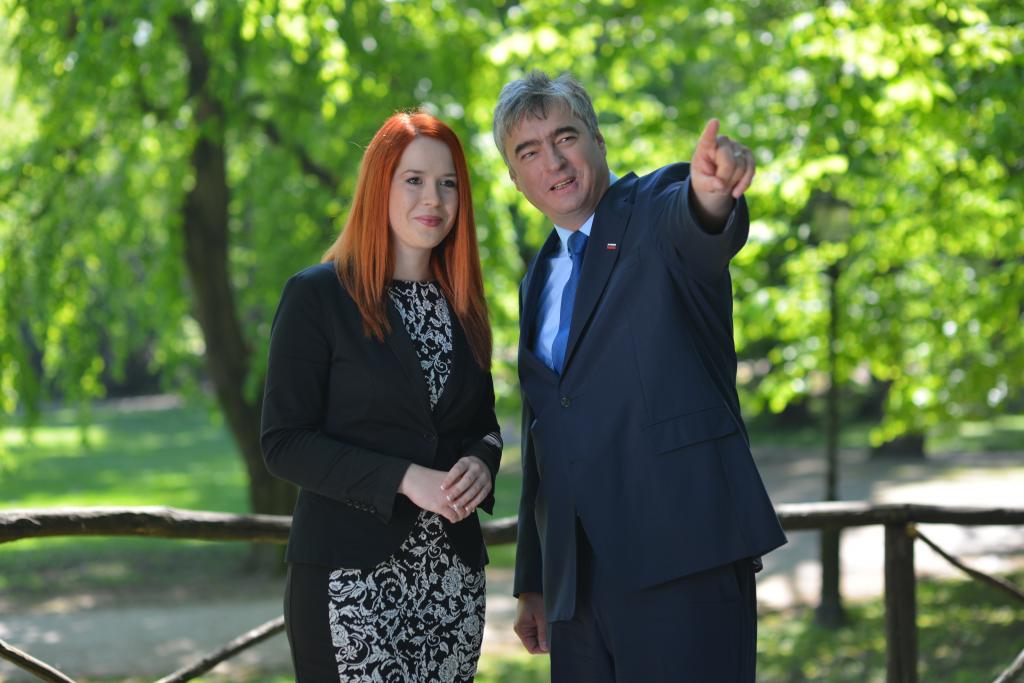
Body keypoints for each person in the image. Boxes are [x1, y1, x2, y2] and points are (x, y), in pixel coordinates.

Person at [494, 71, 788, 681]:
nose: (554, 161)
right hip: (577, 590)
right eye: (529, 151)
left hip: (683, 555)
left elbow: (698, 221)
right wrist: (535, 580)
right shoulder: (536, 278)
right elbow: (545, 433)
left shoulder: (655, 210)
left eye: (565, 137)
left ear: (597, 140)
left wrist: (712, 192)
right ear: (515, 177)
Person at [261, 111, 502, 682]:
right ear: (379, 185)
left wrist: (482, 462)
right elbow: (283, 443)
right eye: (413, 179)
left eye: (447, 183)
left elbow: (484, 426)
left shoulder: (463, 304)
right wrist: (404, 478)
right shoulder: (317, 295)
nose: (433, 198)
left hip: (452, 585)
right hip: (349, 585)